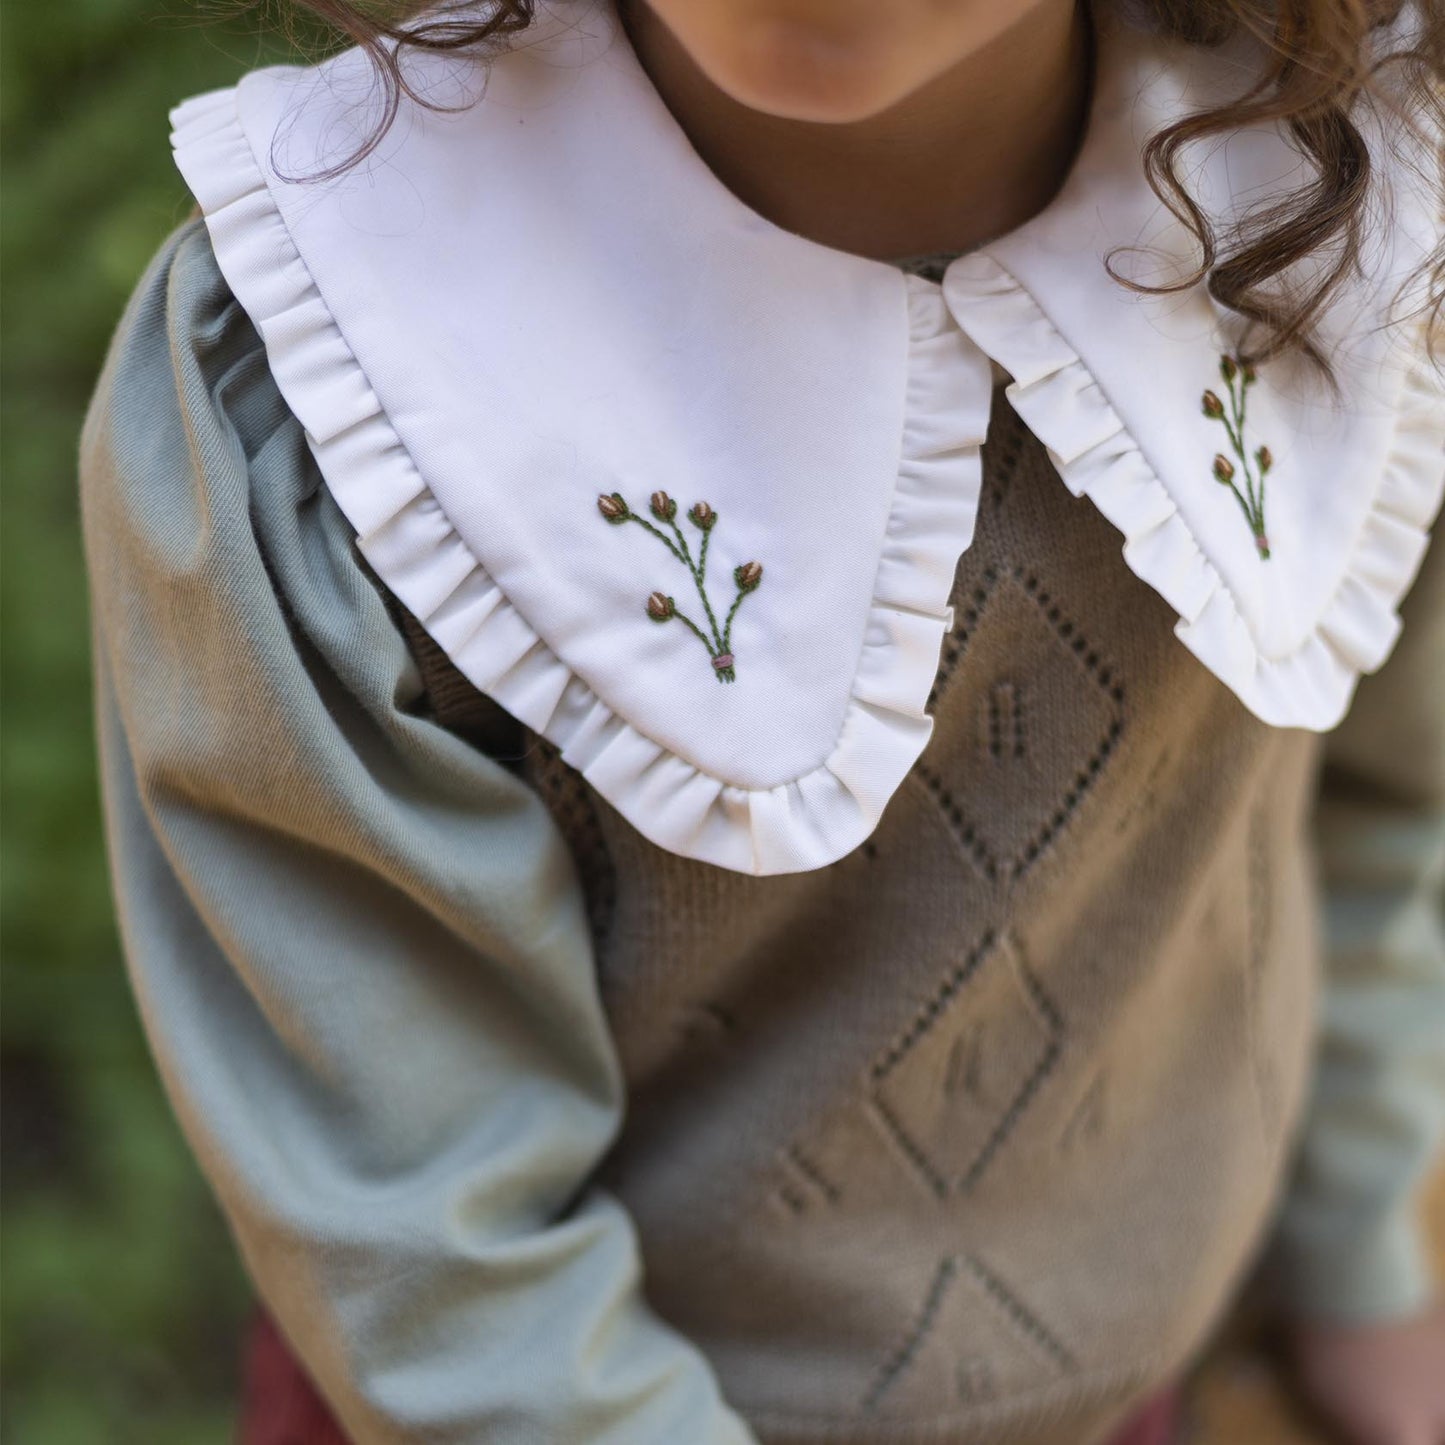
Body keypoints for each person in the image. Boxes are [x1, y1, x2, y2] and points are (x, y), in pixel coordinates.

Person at [78, 0, 1445, 1442]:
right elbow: (436, 1256)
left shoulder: (1333, 195)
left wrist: (1359, 1257)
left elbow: (1359, 796)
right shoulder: (339, 382)